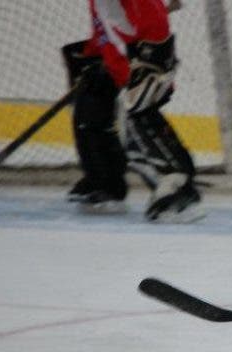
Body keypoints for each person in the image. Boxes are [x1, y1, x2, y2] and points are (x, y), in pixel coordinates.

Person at [62, 0, 203, 222]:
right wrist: (95, 56)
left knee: (139, 116)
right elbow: (106, 24)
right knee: (89, 109)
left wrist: (155, 55)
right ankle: (104, 182)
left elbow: (152, 14)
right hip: (116, 60)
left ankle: (177, 187)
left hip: (144, 59)